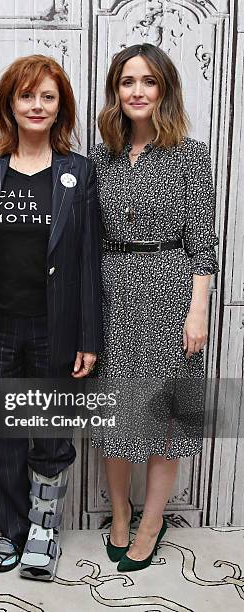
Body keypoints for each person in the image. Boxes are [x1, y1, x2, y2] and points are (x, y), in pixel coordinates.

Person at [0, 54, 102, 580]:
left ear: (59, 105)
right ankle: (12, 531)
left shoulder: (78, 171)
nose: (36, 105)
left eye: (47, 96)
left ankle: (45, 529)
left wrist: (87, 335)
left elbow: (89, 260)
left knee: (47, 432)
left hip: (55, 329)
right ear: (9, 104)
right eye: (27, 96)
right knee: (2, 435)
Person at [89, 43, 219, 572]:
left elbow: (203, 241)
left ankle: (152, 520)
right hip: (112, 292)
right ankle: (120, 512)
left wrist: (198, 310)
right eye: (127, 81)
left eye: (148, 81)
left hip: (170, 291)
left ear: (164, 90)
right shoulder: (100, 158)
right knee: (114, 413)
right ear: (115, 92)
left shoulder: (190, 154)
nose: (137, 91)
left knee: (164, 417)